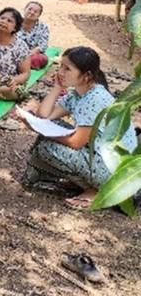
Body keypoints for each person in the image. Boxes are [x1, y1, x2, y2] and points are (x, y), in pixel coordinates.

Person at [25, 46, 138, 209]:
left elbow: (76, 142)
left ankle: (99, 190)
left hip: (117, 174)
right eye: (61, 66)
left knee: (47, 148)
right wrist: (57, 87)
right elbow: (45, 115)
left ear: (87, 76)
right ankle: (91, 185)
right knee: (50, 126)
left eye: (67, 69)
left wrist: (42, 131)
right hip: (101, 158)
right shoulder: (78, 94)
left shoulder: (95, 98)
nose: (61, 72)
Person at [17, 1, 50, 69]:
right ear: (25, 9)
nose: (32, 12)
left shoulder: (43, 27)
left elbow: (43, 45)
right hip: (14, 51)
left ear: (39, 15)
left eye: (35, 11)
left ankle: (22, 64)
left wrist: (29, 54)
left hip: (32, 54)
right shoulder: (15, 22)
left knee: (40, 59)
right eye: (29, 9)